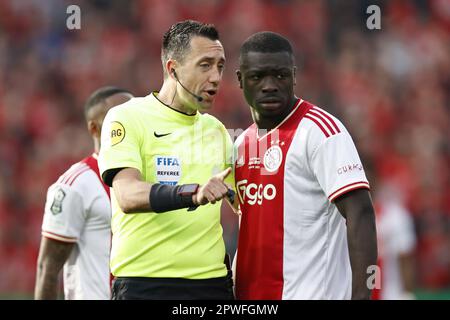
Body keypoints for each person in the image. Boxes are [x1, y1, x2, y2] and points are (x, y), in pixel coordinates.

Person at [233, 32, 378, 300]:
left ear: (294, 76)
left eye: (280, 75)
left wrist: (361, 296)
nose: (269, 85)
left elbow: (361, 213)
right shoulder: (242, 143)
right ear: (241, 80)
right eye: (258, 76)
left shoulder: (321, 132)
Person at [98, 20, 234, 300]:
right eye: (205, 65)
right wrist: (192, 193)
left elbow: (244, 203)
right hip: (146, 285)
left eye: (220, 66)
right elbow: (127, 195)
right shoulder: (128, 117)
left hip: (211, 285)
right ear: (172, 69)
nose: (216, 77)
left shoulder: (218, 131)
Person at [35, 86, 133, 300]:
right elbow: (48, 267)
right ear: (94, 129)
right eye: (117, 117)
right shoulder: (76, 185)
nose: (129, 123)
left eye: (133, 115)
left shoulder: (149, 179)